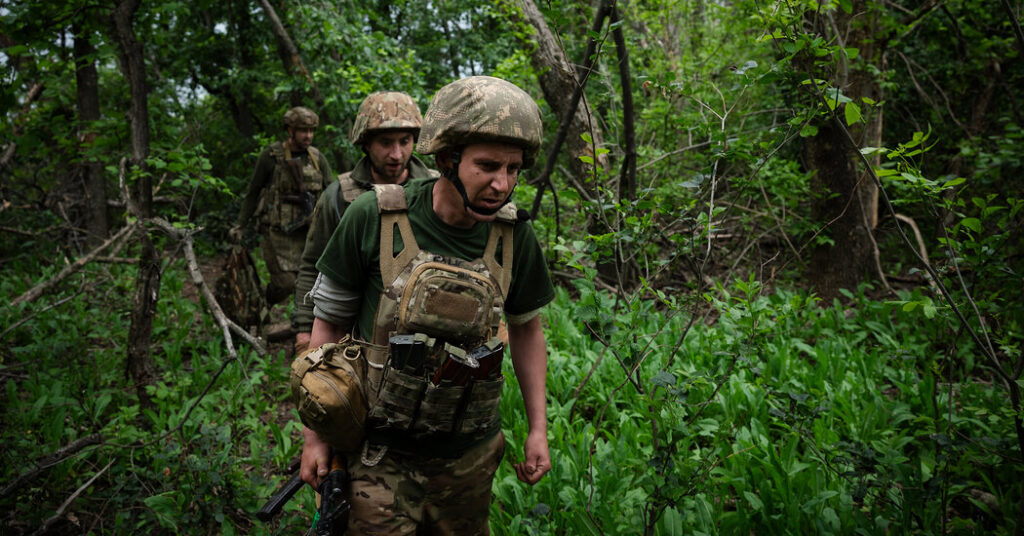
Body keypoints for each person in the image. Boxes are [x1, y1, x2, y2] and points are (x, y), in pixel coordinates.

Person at [300, 76, 554, 534]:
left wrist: (539, 429)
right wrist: (315, 438)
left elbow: (527, 330)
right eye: (488, 165)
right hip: (379, 455)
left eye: (514, 168)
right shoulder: (372, 216)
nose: (503, 183)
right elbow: (326, 329)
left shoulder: (515, 237)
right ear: (445, 159)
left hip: (468, 459)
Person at [291, 92, 437, 355]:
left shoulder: (437, 190)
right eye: (385, 142)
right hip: (355, 332)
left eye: (405, 142)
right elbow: (313, 263)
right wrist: (304, 327)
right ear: (366, 143)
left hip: (429, 329)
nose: (396, 154)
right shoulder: (338, 196)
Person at [230, 106, 334, 308]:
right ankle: (264, 302)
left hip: (308, 233)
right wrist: (240, 225)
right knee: (286, 284)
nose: (308, 136)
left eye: (312, 131)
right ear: (290, 130)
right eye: (303, 131)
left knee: (311, 284)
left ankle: (302, 327)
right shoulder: (271, 156)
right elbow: (253, 192)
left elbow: (333, 192)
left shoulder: (317, 158)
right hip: (276, 234)